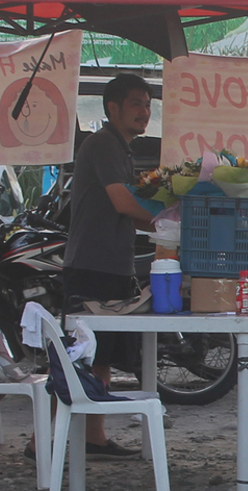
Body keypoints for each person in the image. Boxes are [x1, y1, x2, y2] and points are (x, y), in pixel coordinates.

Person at [51, 73, 156, 461]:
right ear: (112, 108)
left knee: (100, 358)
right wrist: (168, 224)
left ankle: (93, 437)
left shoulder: (122, 149)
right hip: (91, 266)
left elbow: (132, 209)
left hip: (113, 265)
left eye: (147, 105)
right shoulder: (102, 144)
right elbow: (123, 204)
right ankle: (39, 442)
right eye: (135, 104)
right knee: (75, 361)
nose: (144, 112)